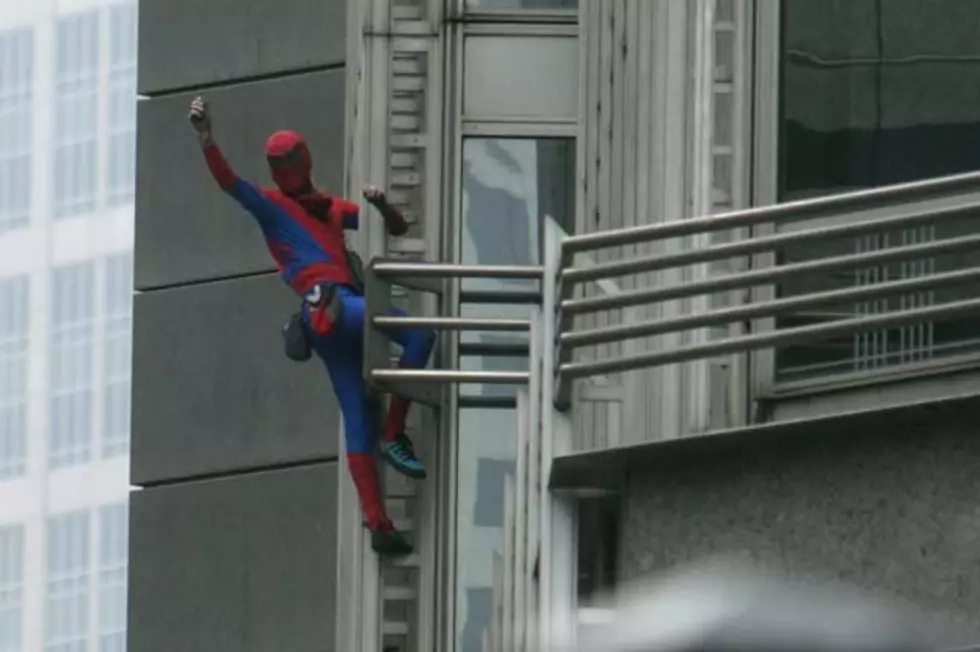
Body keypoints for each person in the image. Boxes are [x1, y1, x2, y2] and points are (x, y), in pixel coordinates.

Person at [187, 96, 435, 557]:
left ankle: (378, 522)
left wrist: (383, 206)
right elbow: (230, 184)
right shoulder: (275, 206)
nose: (284, 170)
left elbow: (395, 228)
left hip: (328, 319)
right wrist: (206, 140)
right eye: (280, 165)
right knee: (419, 335)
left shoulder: (327, 209)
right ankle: (394, 433)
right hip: (334, 307)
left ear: (302, 163)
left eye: (288, 162)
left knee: (356, 411)